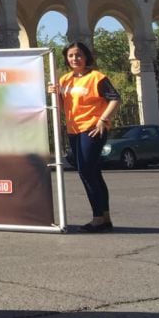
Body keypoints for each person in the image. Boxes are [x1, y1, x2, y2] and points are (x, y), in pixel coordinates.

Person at [53, 41, 121, 232]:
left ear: (86, 57)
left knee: (87, 171)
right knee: (93, 172)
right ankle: (105, 217)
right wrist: (53, 92)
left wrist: (102, 120)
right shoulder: (65, 80)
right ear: (67, 58)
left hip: (92, 129)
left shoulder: (96, 77)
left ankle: (98, 217)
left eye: (79, 55)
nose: (75, 58)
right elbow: (61, 103)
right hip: (73, 130)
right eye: (71, 55)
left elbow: (115, 99)